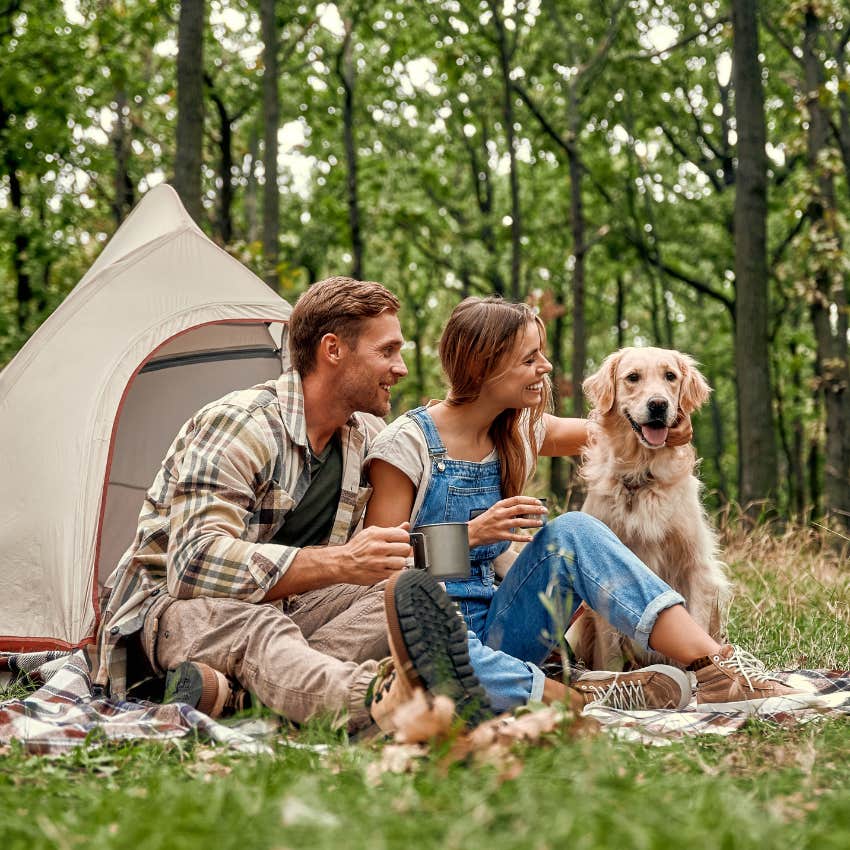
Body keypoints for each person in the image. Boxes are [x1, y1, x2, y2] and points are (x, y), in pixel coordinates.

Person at [365, 296, 817, 715]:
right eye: (530, 358)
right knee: (447, 670)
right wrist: (470, 537)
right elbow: (378, 572)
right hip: (433, 632)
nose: (546, 367)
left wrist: (671, 425)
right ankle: (585, 692)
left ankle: (716, 668)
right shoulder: (406, 444)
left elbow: (613, 425)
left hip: (506, 620)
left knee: (574, 530)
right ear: (485, 366)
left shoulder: (518, 432)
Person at [93, 277, 490, 735]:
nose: (400, 368)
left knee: (401, 593)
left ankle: (243, 698)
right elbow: (192, 564)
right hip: (172, 613)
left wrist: (471, 539)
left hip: (290, 614)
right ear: (333, 349)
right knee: (261, 625)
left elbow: (379, 557)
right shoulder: (241, 424)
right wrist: (341, 561)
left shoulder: (364, 437)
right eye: (387, 351)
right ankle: (385, 704)